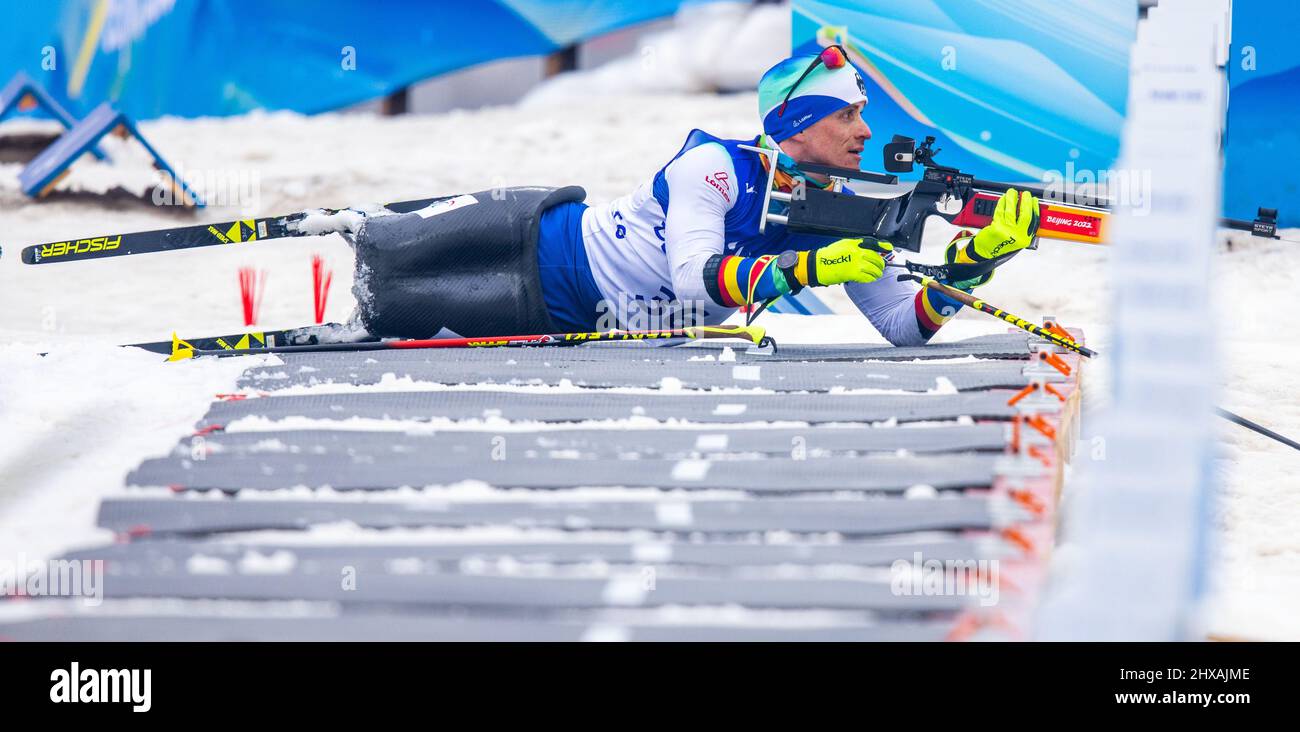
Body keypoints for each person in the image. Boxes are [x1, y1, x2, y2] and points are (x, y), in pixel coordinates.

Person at [351, 45, 1040, 342]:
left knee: (394, 314)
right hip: (537, 236)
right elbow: (695, 281)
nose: (863, 131)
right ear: (797, 124)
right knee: (383, 250)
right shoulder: (713, 165)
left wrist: (973, 263)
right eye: (845, 115)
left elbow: (903, 327)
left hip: (563, 316)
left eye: (861, 114)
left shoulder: (849, 208)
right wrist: (806, 268)